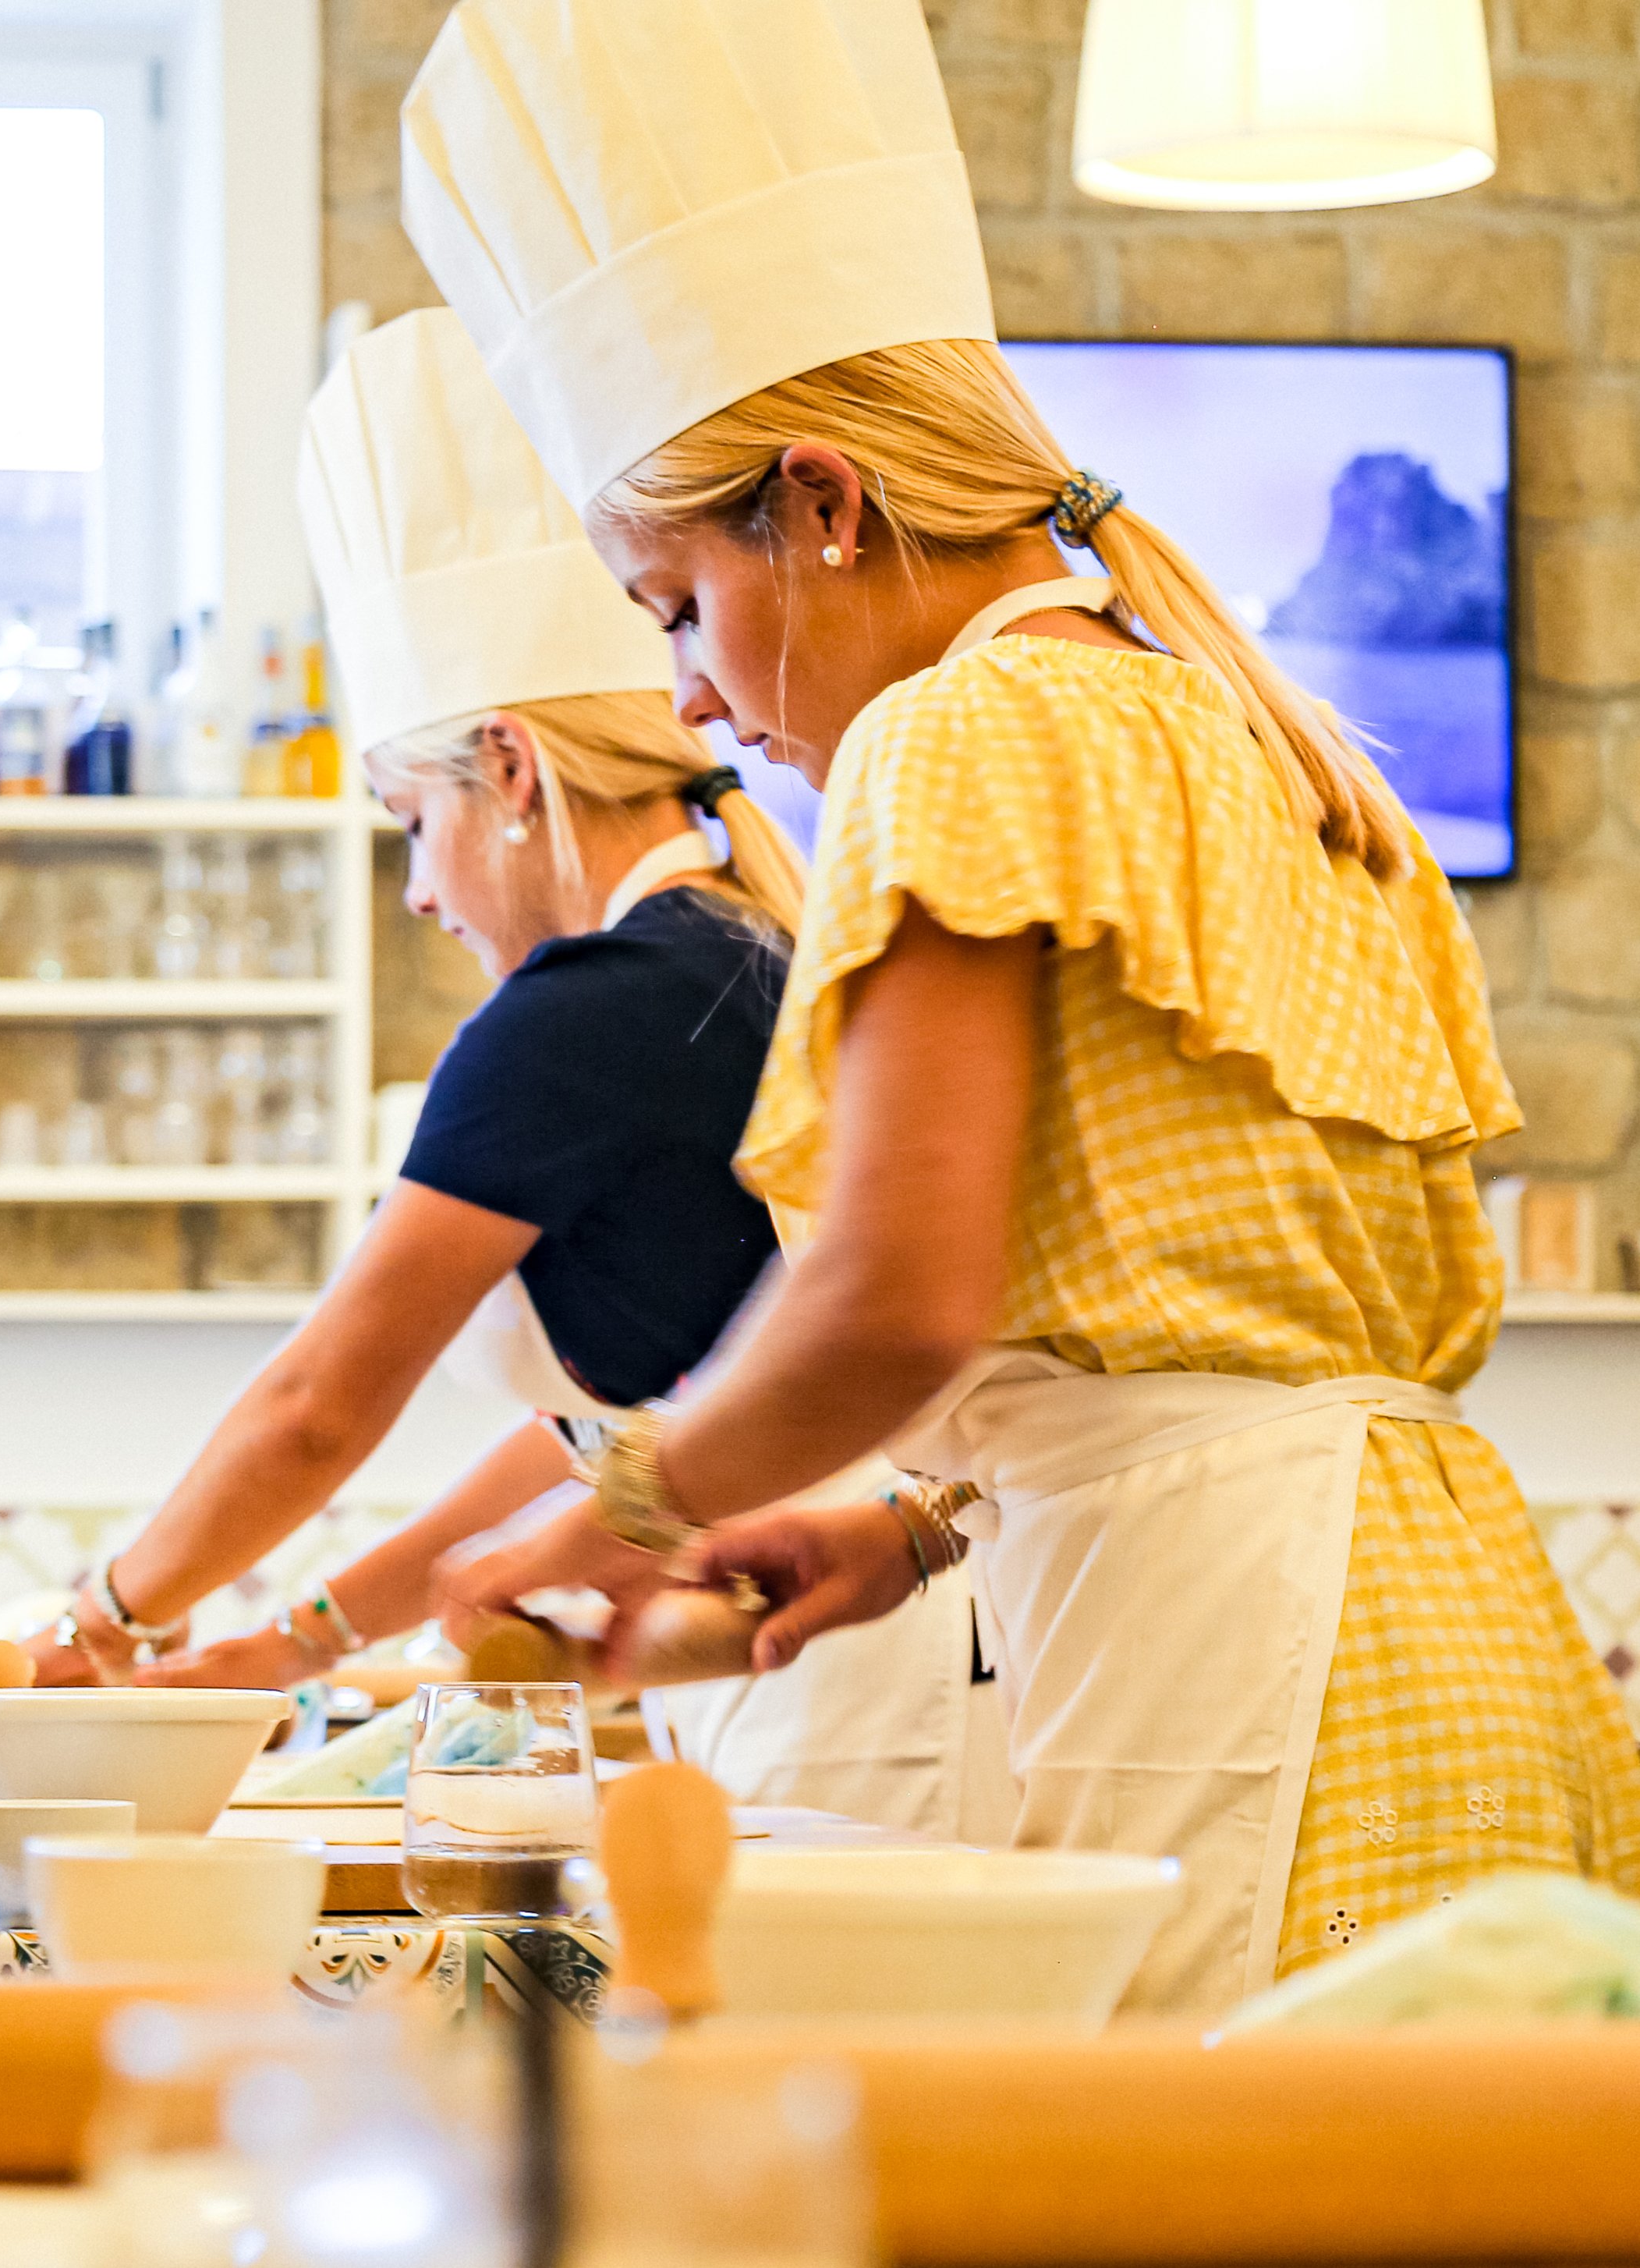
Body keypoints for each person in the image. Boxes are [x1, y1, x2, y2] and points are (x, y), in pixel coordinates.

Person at [401, 0, 1638, 2015]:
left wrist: (628, 1503)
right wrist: (901, 1529)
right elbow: (1205, 1300)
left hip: (1250, 1661)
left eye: (677, 609)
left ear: (819, 504)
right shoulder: (1246, 723)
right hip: (1441, 1639)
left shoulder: (958, 729)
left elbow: (898, 1290)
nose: (691, 699)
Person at [25, 311, 991, 1840]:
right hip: (844, 1629)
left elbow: (318, 1401)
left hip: (824, 1668)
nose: (419, 892)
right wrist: (295, 1642)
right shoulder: (725, 948)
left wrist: (101, 1623)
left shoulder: (583, 1009)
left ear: (513, 770)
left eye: (414, 824)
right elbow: (588, 1439)